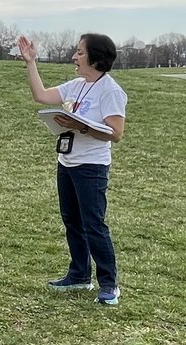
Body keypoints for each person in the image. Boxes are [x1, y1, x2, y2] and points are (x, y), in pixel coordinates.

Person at [18, 33, 126, 306]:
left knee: (94, 225)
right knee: (72, 222)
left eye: (79, 52)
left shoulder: (110, 91)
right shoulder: (77, 85)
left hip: (91, 167)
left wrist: (82, 126)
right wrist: (31, 62)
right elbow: (41, 96)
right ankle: (79, 274)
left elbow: (115, 133)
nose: (74, 57)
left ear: (95, 57)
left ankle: (109, 284)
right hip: (67, 162)